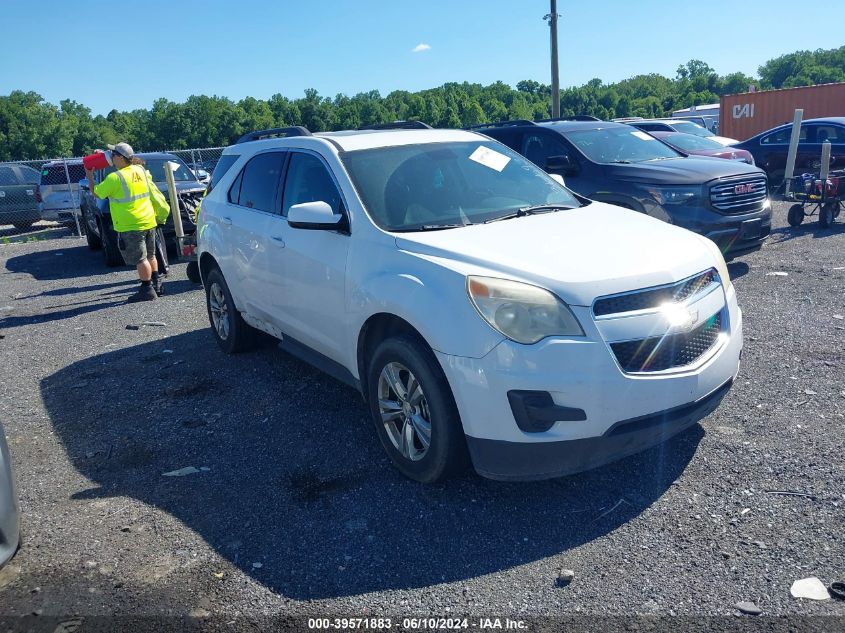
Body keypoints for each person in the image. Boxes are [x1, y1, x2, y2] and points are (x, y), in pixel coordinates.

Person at [85, 142, 162, 302]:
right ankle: (157, 285)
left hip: (131, 223)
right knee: (151, 255)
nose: (111, 157)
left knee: (140, 259)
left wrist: (90, 176)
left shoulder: (114, 178)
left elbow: (96, 193)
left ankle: (147, 289)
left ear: (120, 158)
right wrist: (104, 155)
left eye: (114, 154)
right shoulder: (139, 170)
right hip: (148, 219)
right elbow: (129, 163)